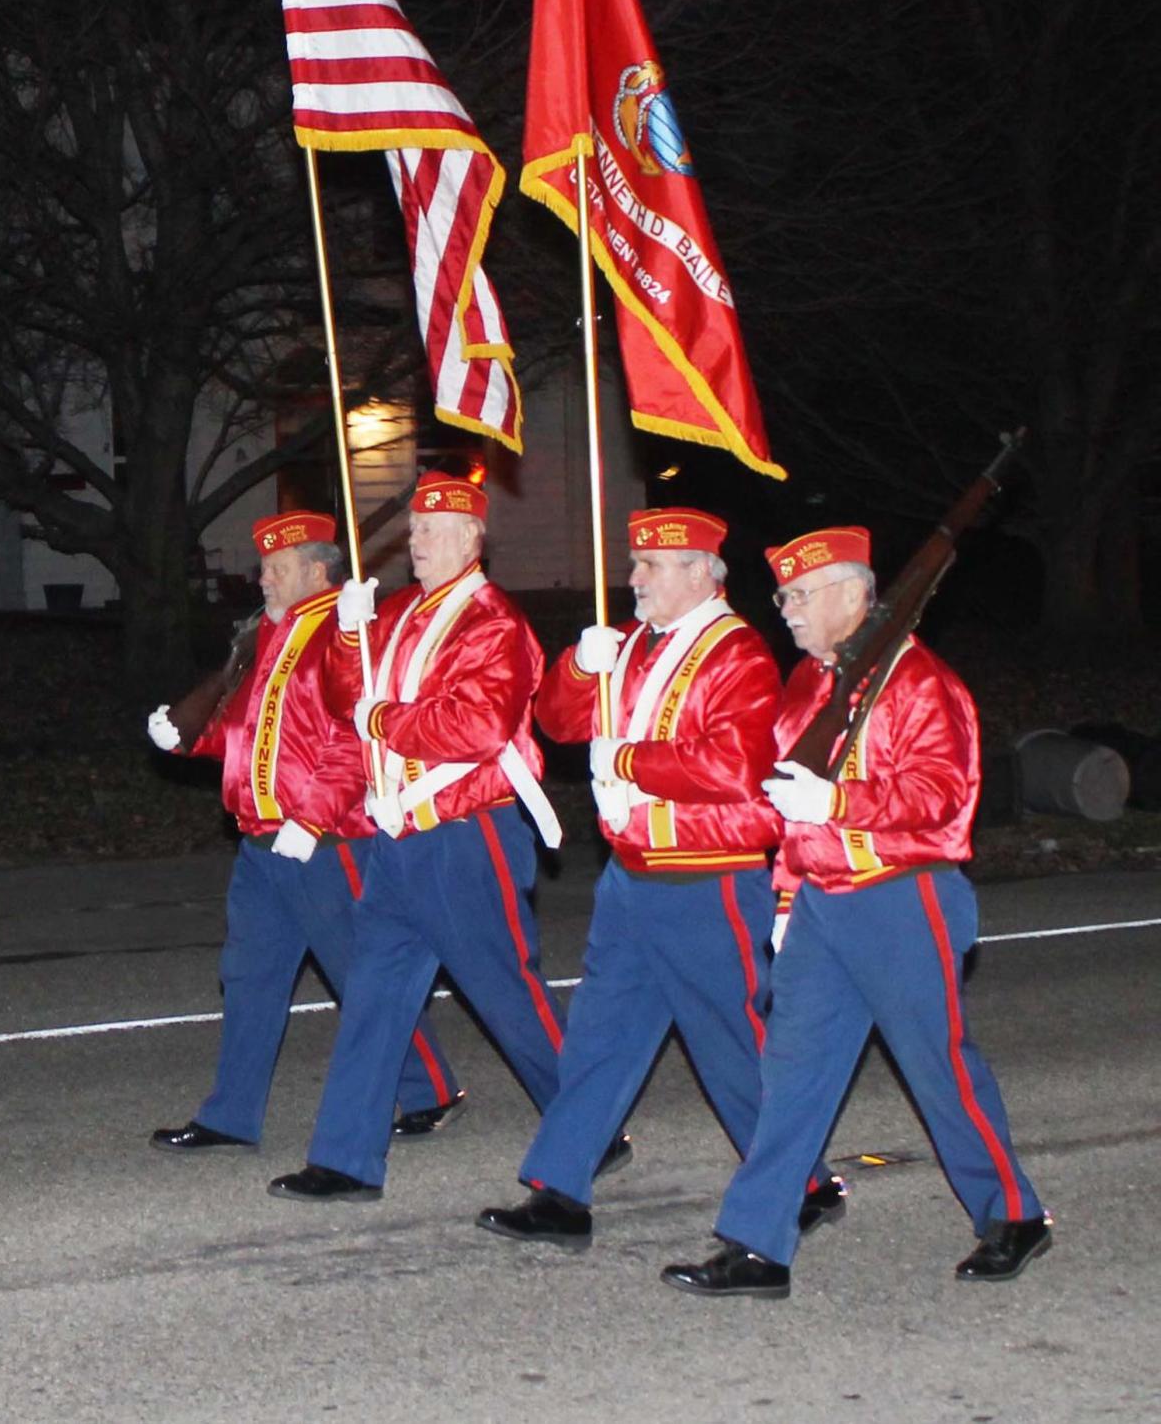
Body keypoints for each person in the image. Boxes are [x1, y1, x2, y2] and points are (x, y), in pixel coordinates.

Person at [662, 525, 1051, 1299]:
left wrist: (840, 800)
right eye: (781, 596)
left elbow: (942, 795)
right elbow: (788, 807)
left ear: (852, 594)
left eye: (800, 595)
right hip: (821, 904)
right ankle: (757, 1243)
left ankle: (1013, 1214)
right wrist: (784, 891)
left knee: (938, 1065)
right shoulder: (808, 685)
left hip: (904, 898)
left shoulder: (918, 683)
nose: (787, 611)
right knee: (793, 1074)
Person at [475, 507, 842, 1249]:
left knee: (732, 1043)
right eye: (636, 561)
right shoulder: (636, 643)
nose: (633, 577)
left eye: (649, 564)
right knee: (600, 1038)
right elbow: (555, 719)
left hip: (707, 878)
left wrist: (627, 762)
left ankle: (801, 1179)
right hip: (632, 877)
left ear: (700, 571)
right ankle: (560, 1190)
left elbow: (731, 765)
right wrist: (581, 665)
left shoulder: (737, 654)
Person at [266, 471, 603, 1202]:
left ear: (470, 538)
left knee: (507, 993)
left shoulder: (494, 624)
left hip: (465, 834)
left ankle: (592, 1128)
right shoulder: (396, 612)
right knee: (374, 994)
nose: (413, 540)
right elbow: (343, 696)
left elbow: (474, 726)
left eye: (429, 528)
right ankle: (347, 1158)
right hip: (399, 840)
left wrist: (383, 718)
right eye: (414, 527)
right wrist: (346, 636)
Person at [147, 509, 460, 1155]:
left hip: (327, 842)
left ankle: (429, 1086)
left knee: (361, 971)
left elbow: (353, 740)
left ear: (318, 570)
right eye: (264, 566)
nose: (262, 577)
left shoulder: (345, 634)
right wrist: (191, 736)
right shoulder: (265, 636)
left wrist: (311, 817)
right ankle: (231, 1115)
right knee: (249, 976)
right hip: (261, 844)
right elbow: (248, 733)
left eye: (276, 567)